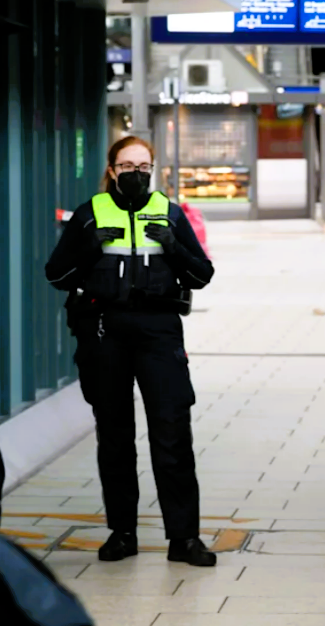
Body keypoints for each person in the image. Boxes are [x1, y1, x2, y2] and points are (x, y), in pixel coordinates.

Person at [45, 136, 216, 567]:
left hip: (160, 332)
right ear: (111, 169)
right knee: (115, 437)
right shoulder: (90, 214)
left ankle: (184, 539)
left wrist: (174, 246)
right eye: (126, 166)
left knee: (173, 433)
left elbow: (202, 276)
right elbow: (57, 274)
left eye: (143, 166)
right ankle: (122, 534)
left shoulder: (170, 213)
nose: (135, 173)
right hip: (105, 333)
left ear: (152, 169)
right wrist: (87, 247)